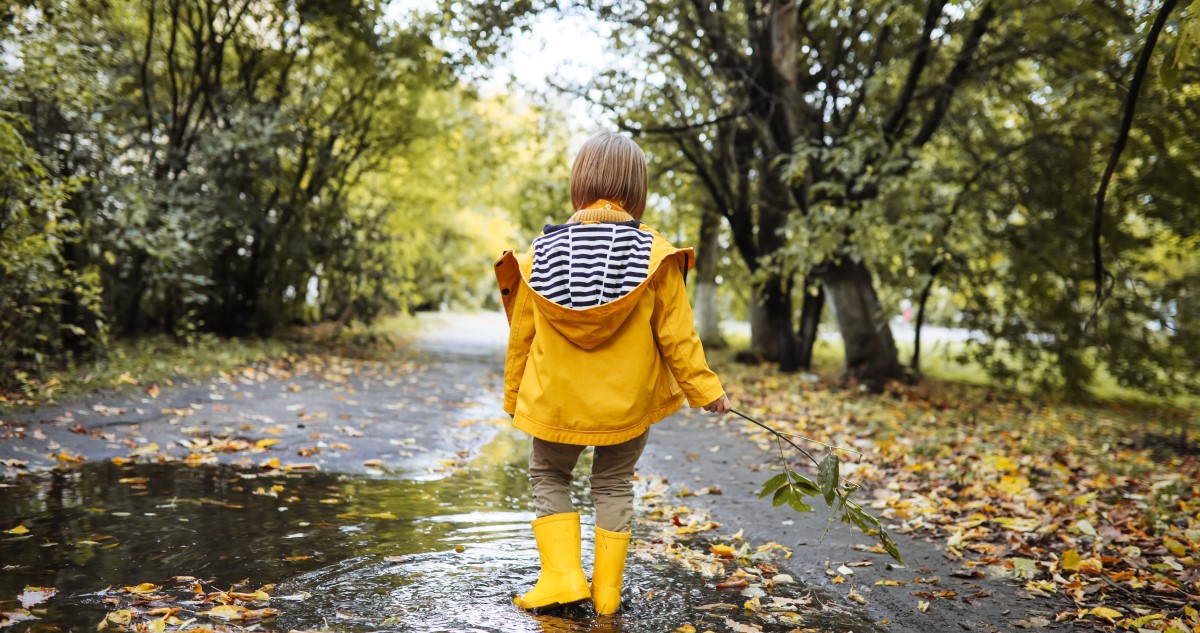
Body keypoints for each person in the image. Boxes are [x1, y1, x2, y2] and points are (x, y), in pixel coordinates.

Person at [494, 132, 732, 616]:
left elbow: (523, 337)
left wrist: (515, 396)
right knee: (612, 484)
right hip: (625, 405)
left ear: (579, 184)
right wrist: (707, 391)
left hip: (556, 400)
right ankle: (606, 597)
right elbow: (678, 338)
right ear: (637, 189)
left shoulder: (542, 253)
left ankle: (562, 577)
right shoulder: (655, 255)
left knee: (548, 475)